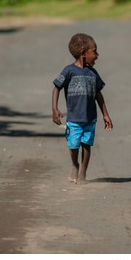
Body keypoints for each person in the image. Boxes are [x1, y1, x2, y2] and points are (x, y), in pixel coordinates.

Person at [52, 33, 113, 184]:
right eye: (95, 51)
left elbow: (99, 95)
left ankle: (83, 171)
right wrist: (55, 108)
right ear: (83, 53)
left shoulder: (93, 73)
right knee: (74, 145)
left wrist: (105, 114)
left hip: (90, 118)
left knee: (87, 144)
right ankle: (75, 164)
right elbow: (56, 87)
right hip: (74, 119)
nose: (97, 55)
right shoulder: (69, 71)